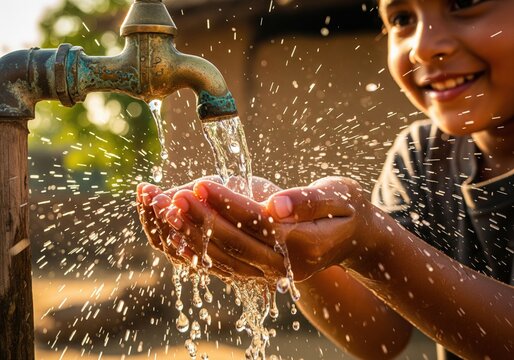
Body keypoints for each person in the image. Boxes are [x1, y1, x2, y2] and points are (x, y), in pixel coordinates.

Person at [137, 0, 514, 359]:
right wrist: (295, 243)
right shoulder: (422, 154)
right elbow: (379, 337)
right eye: (401, 19)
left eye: (465, 3)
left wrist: (376, 241)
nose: (423, 47)